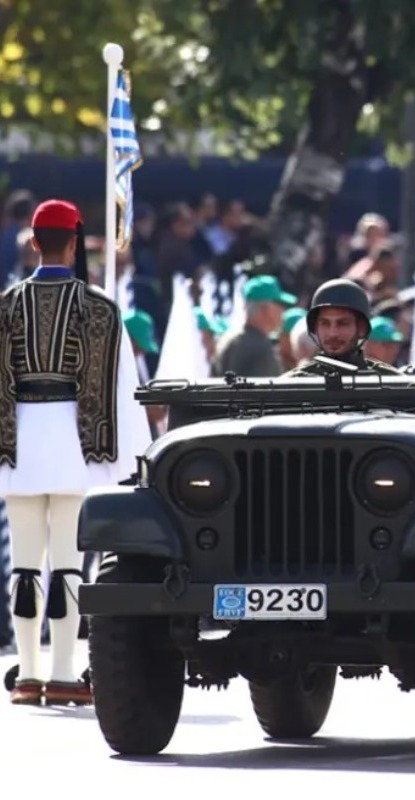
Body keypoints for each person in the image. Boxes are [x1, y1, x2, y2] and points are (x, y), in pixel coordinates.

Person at [0, 199, 151, 706]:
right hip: (74, 446)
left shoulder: (5, 305)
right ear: (74, 242)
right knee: (67, 563)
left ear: (35, 242)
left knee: (24, 564)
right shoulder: (101, 308)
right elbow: (120, 390)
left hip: (17, 444)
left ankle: (27, 674)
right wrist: (127, 457)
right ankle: (64, 672)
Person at [285, 279, 400, 376]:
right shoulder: (289, 387)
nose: (332, 333)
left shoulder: (392, 382)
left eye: (343, 323)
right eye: (325, 323)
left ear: (361, 328)